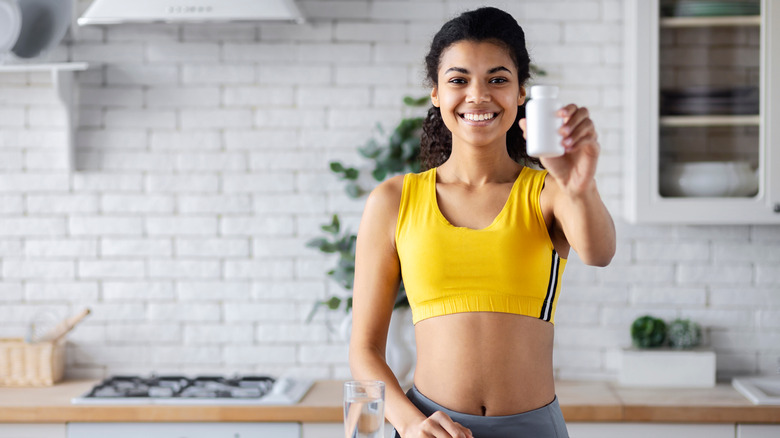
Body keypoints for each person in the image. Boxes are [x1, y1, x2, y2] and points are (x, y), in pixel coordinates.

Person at [349, 6, 616, 438]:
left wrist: (579, 185)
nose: (478, 96)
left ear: (520, 93)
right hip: (430, 429)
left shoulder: (549, 192)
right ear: (435, 92)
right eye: (458, 80)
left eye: (497, 79)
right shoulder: (394, 200)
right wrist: (411, 424)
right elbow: (363, 349)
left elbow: (600, 253)